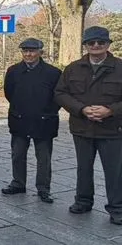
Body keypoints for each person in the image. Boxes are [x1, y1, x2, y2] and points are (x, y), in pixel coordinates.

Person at [55, 26, 122, 223]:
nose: (96, 45)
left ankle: (117, 209)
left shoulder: (120, 67)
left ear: (108, 44)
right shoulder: (73, 68)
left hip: (113, 129)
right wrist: (82, 109)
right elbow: (60, 93)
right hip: (82, 127)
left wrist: (111, 110)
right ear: (85, 45)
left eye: (101, 42)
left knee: (115, 171)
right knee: (83, 168)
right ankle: (83, 201)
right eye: (91, 42)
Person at [1, 38, 61, 204]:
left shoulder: (53, 73)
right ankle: (18, 183)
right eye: (25, 51)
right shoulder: (13, 71)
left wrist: (47, 112)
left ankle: (43, 188)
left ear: (40, 52)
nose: (28, 54)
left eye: (32, 51)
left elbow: (58, 97)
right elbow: (9, 93)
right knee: (18, 154)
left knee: (43, 158)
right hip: (19, 118)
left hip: (44, 120)